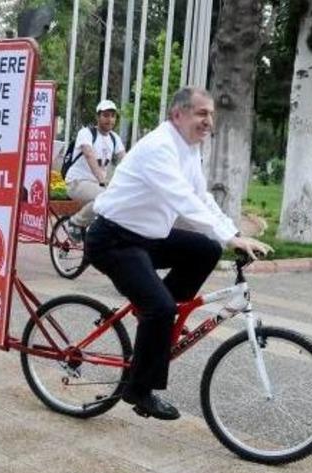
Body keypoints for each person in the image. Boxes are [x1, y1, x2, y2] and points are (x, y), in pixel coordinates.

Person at [84, 87, 272, 420]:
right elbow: (183, 200)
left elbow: (201, 198)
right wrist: (231, 238)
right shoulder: (160, 147)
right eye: (202, 113)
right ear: (178, 115)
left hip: (147, 236)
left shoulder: (188, 148)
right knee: (160, 307)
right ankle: (139, 390)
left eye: (211, 114)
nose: (209, 121)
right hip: (114, 239)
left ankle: (156, 323)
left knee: (205, 249)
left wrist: (231, 234)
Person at [64, 99, 126, 240]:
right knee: (105, 197)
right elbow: (89, 155)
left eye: (113, 116)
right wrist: (102, 180)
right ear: (97, 117)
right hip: (77, 182)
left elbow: (125, 160)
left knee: (116, 203)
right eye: (105, 115)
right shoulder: (86, 133)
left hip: (96, 185)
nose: (109, 119)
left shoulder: (114, 138)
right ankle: (74, 222)